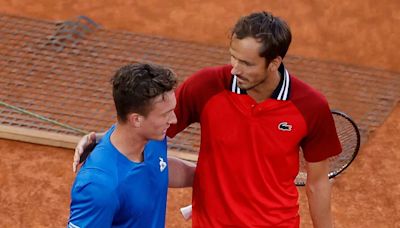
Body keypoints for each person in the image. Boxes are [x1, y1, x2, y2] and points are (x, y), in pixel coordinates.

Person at [74, 11, 341, 227]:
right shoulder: (208, 85)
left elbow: (317, 183)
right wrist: (106, 139)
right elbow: (154, 118)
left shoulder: (310, 106)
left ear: (274, 62)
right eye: (233, 57)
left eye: (247, 64)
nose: (235, 69)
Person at [68, 63, 195, 228]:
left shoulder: (152, 138)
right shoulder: (99, 185)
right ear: (136, 119)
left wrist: (212, 179)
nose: (174, 120)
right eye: (165, 114)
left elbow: (158, 168)